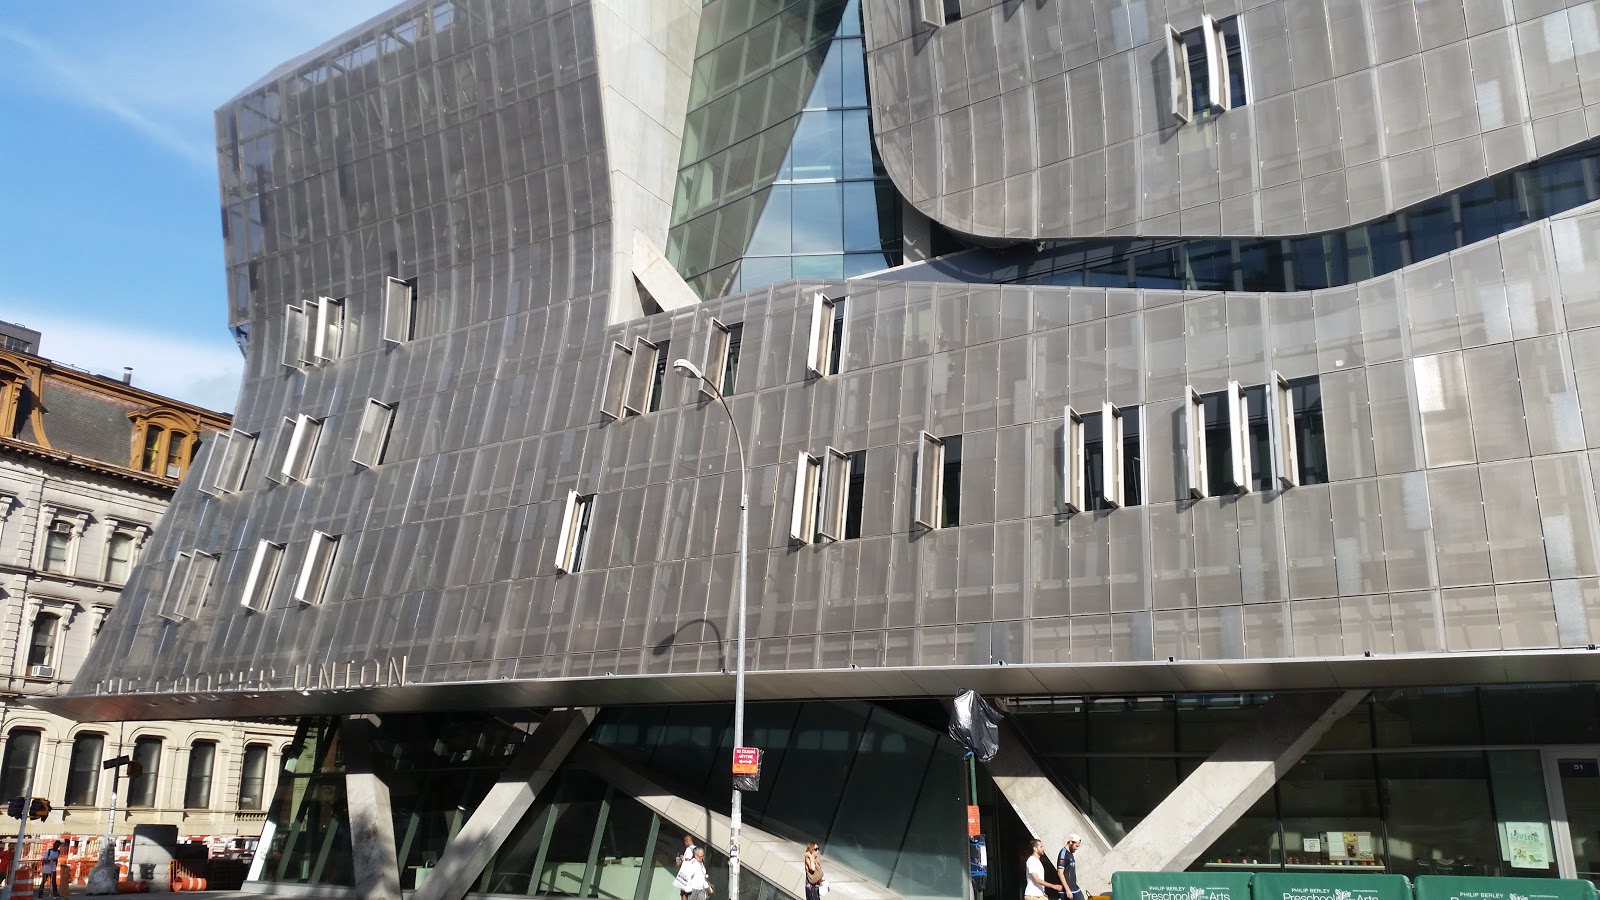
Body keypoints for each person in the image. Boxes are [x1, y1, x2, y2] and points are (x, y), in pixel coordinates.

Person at [1056, 835, 1085, 900]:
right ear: (1071, 842)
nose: (1077, 848)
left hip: (1074, 887)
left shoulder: (1070, 854)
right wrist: (1067, 890)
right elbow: (1060, 872)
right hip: (1067, 889)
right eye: (1076, 846)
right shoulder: (1063, 853)